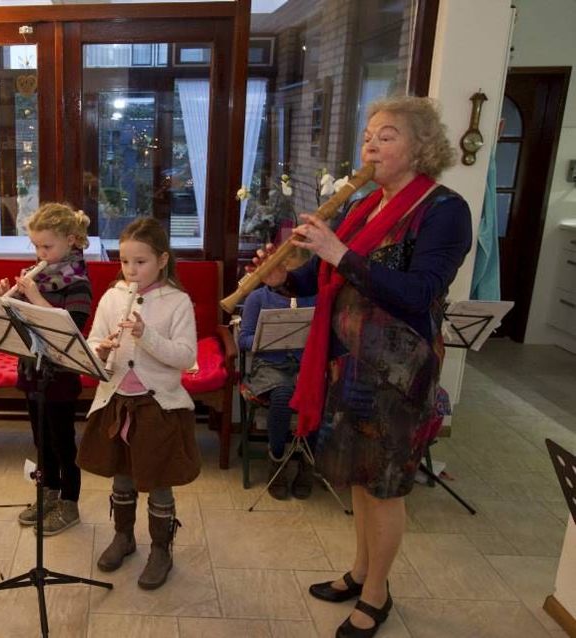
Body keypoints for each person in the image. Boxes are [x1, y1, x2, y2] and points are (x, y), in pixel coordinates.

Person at [251, 96, 471, 637]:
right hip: (347, 364)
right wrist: (285, 279)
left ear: (421, 147)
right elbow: (325, 283)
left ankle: (377, 595)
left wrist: (336, 252)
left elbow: (419, 293)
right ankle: (359, 570)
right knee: (356, 474)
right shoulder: (361, 206)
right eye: (369, 134)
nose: (370, 144)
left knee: (385, 484)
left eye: (387, 135)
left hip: (399, 372)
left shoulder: (444, 210)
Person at [77, 217, 200, 590]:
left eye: (141, 262)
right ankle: (124, 536)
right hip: (116, 399)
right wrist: (101, 349)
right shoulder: (112, 297)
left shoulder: (177, 302)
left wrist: (146, 336)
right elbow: (94, 341)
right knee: (122, 476)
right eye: (125, 261)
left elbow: (184, 356)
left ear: (162, 260)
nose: (131, 270)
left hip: (157, 405)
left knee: (158, 480)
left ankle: (161, 548)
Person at [0, 203, 93, 535]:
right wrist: (4, 302)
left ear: (70, 240)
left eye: (47, 246)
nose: (40, 253)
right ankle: (47, 493)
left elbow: (67, 327)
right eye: (36, 246)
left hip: (60, 376)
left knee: (63, 442)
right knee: (40, 440)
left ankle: (70, 503)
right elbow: (22, 326)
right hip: (32, 371)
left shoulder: (77, 281)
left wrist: (33, 296)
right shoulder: (40, 275)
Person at [237, 286, 316, 500]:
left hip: (304, 365)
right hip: (269, 365)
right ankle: (277, 462)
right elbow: (242, 339)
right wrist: (265, 336)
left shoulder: (313, 296)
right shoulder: (258, 297)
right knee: (282, 395)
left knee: (318, 396)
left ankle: (307, 464)